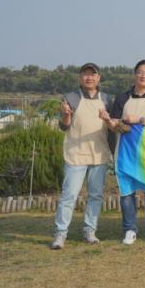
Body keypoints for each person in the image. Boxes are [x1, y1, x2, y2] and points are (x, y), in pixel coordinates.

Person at [101, 59, 145, 246]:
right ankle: (129, 229)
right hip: (125, 152)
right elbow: (114, 125)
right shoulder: (122, 98)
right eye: (140, 72)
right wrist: (108, 120)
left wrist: (139, 119)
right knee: (126, 193)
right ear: (134, 75)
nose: (143, 76)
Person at [51, 63, 113, 249]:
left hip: (99, 155)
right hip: (76, 155)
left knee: (95, 196)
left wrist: (108, 119)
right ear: (80, 78)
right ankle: (60, 234)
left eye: (93, 74)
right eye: (85, 74)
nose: (89, 78)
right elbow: (64, 126)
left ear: (98, 78)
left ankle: (90, 230)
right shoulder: (71, 98)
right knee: (69, 195)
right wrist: (65, 114)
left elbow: (113, 126)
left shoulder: (107, 99)